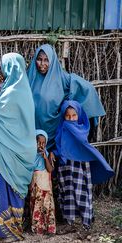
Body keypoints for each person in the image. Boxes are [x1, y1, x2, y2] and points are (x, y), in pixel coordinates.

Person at [0, 53, 36, 241]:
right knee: (10, 187)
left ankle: (2, 229)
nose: (2, 71)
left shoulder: (12, 93)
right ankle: (10, 228)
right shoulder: (22, 90)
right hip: (16, 150)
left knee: (2, 186)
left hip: (5, 151)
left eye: (4, 66)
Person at [27, 44, 105, 159]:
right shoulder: (29, 77)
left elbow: (87, 88)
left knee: (52, 167)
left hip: (53, 132)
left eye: (46, 60)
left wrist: (83, 111)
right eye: (39, 59)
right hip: (32, 132)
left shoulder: (62, 79)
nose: (42, 64)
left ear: (52, 61)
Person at [54, 100, 114, 235]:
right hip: (65, 166)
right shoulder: (62, 128)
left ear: (79, 115)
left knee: (82, 192)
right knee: (67, 192)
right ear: (63, 116)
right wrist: (54, 153)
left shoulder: (82, 129)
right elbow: (60, 145)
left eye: (74, 115)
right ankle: (69, 222)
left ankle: (86, 223)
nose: (70, 119)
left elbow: (84, 145)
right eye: (67, 116)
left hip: (79, 165)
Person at [29, 129, 56, 235]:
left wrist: (45, 158)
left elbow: (50, 169)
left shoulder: (47, 154)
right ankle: (37, 228)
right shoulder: (30, 156)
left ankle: (49, 228)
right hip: (35, 184)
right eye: (38, 142)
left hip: (45, 185)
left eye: (43, 143)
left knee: (47, 205)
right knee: (36, 205)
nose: (41, 145)